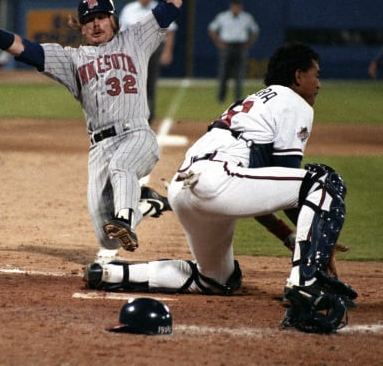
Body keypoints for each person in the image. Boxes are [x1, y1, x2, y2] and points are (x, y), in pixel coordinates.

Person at [84, 42, 357, 329]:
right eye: (316, 75)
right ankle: (305, 284)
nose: (319, 84)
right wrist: (316, 246)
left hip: (185, 188)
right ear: (298, 76)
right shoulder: (293, 101)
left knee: (215, 279)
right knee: (324, 181)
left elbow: (262, 191)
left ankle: (111, 274)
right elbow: (291, 187)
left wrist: (292, 238)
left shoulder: (256, 102)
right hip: (218, 181)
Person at [0, 0, 182, 263]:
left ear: (113, 19)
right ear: (82, 28)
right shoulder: (73, 59)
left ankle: (128, 216)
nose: (96, 24)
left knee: (123, 171)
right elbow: (26, 49)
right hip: (99, 148)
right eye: (89, 20)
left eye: (101, 17)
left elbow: (172, 1)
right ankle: (147, 203)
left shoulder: (136, 39)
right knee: (107, 236)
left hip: (136, 135)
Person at [119, 0, 178, 125]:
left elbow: (170, 31)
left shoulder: (159, 9)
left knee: (149, 84)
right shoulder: (128, 9)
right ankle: (130, 118)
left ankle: (147, 120)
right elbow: (121, 32)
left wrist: (167, 52)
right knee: (130, 84)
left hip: (153, 51)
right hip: (132, 52)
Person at [208, 0, 259, 103]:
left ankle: (238, 99)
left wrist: (248, 44)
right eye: (234, 5)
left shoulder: (246, 17)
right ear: (231, 6)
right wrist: (219, 43)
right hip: (227, 46)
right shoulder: (223, 16)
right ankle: (221, 98)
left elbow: (255, 30)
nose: (236, 7)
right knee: (223, 74)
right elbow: (212, 29)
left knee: (239, 74)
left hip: (240, 47)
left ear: (241, 6)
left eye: (238, 5)